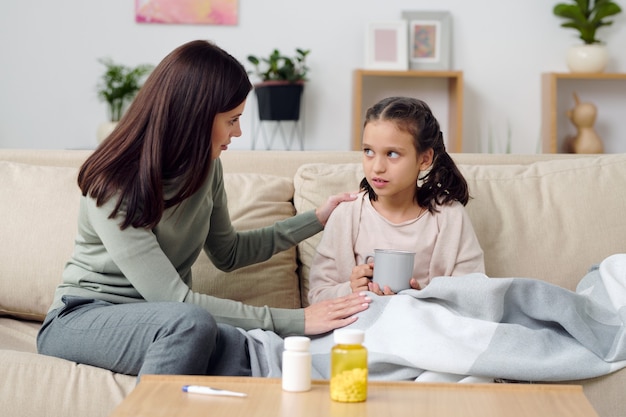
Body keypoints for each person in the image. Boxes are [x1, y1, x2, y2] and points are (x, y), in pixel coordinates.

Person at [36, 40, 370, 378]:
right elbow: (174, 300)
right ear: (194, 116)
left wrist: (316, 219)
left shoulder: (208, 169)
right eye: (232, 120)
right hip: (82, 318)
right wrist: (299, 319)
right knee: (192, 324)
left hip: (161, 320)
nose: (238, 132)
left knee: (246, 345)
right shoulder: (115, 183)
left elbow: (229, 252)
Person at [308, 97, 484, 304]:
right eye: (368, 152)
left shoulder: (449, 215)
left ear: (424, 159)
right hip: (363, 329)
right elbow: (317, 296)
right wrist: (351, 288)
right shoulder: (347, 214)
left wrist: (421, 296)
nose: (377, 167)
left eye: (392, 154)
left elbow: (475, 295)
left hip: (424, 329)